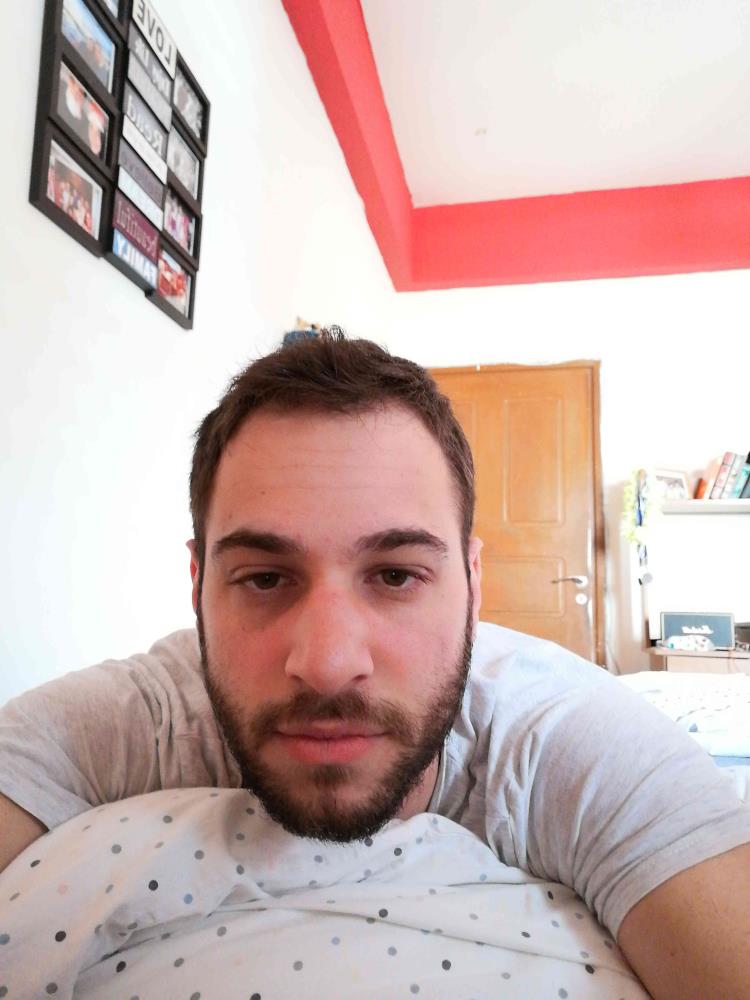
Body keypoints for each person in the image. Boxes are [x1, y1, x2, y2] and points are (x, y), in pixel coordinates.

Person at [0, 330, 748, 998]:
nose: (327, 665)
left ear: (473, 586)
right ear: (197, 588)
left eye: (395, 575)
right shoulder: (148, 716)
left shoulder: (571, 740)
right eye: (265, 578)